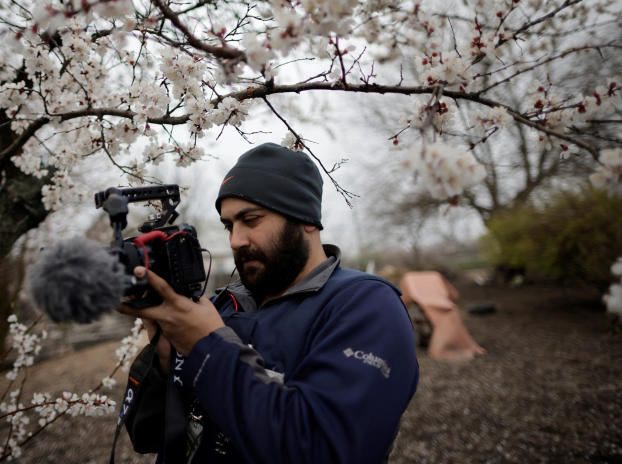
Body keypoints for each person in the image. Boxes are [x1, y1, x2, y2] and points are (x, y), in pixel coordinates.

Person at [119, 142, 419, 464]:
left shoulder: (365, 306)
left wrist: (206, 347)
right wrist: (166, 362)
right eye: (229, 225)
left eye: (251, 219)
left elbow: (325, 449)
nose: (235, 240)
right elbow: (146, 435)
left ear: (305, 218)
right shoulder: (219, 306)